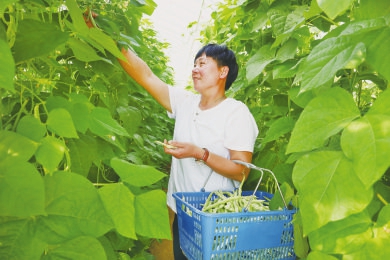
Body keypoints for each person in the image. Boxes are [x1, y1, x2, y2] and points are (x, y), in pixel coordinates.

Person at [118, 43, 259, 259]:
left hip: (216, 216)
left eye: (202, 63)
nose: (195, 69)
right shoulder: (186, 103)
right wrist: (111, 39)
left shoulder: (235, 113)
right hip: (183, 211)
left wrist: (199, 153)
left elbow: (241, 172)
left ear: (223, 71)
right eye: (194, 64)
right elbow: (146, 76)